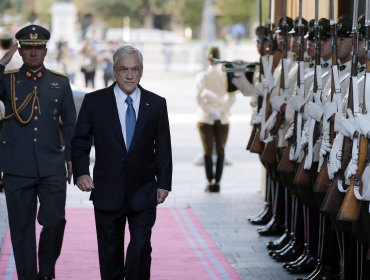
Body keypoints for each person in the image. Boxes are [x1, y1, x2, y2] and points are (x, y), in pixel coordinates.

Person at [71, 45, 172, 280]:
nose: (129, 75)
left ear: (141, 71)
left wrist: (164, 183)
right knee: (110, 252)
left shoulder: (156, 104)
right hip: (107, 190)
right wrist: (81, 172)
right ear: (114, 71)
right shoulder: (95, 102)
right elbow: (80, 141)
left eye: (134, 69)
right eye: (124, 69)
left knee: (140, 246)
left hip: (144, 190)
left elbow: (163, 148)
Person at [0, 24, 76, 280]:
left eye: (38, 48)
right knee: (21, 230)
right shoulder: (7, 80)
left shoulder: (60, 82)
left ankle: (46, 270)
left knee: (55, 221)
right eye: (28, 48)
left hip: (51, 165)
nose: (33, 53)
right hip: (16, 167)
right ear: (20, 51)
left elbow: (71, 125)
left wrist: (70, 159)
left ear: (46, 50)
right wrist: (1, 63)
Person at [195, 46, 236, 192]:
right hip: (223, 117)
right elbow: (232, 97)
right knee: (220, 150)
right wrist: (221, 110)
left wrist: (210, 110)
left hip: (206, 117)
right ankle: (217, 183)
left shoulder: (202, 76)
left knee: (207, 150)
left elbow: (199, 98)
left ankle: (209, 181)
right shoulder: (227, 75)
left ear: (208, 60)